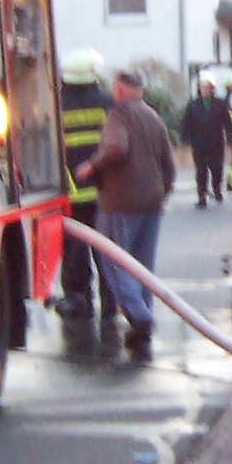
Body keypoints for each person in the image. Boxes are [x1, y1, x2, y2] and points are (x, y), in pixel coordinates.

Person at [85, 68, 177, 357]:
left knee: (115, 260)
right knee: (142, 266)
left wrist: (92, 166)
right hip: (151, 203)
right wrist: (161, 192)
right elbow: (169, 165)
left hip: (120, 203)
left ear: (121, 90)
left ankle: (140, 317)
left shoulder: (120, 115)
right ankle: (143, 316)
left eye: (114, 87)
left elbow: (116, 147)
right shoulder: (154, 117)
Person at [55, 49, 116, 324]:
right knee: (106, 249)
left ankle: (78, 299)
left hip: (70, 193)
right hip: (103, 191)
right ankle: (111, 300)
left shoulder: (56, 105)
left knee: (74, 251)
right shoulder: (107, 103)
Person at [181, 78, 230, 208]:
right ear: (199, 89)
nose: (205, 90)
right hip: (199, 143)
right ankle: (201, 196)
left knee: (216, 169)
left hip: (216, 143)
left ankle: (217, 189)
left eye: (208, 88)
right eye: (203, 88)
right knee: (201, 171)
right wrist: (185, 140)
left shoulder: (219, 104)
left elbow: (227, 123)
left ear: (211, 89)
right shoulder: (193, 105)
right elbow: (186, 123)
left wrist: (230, 141)